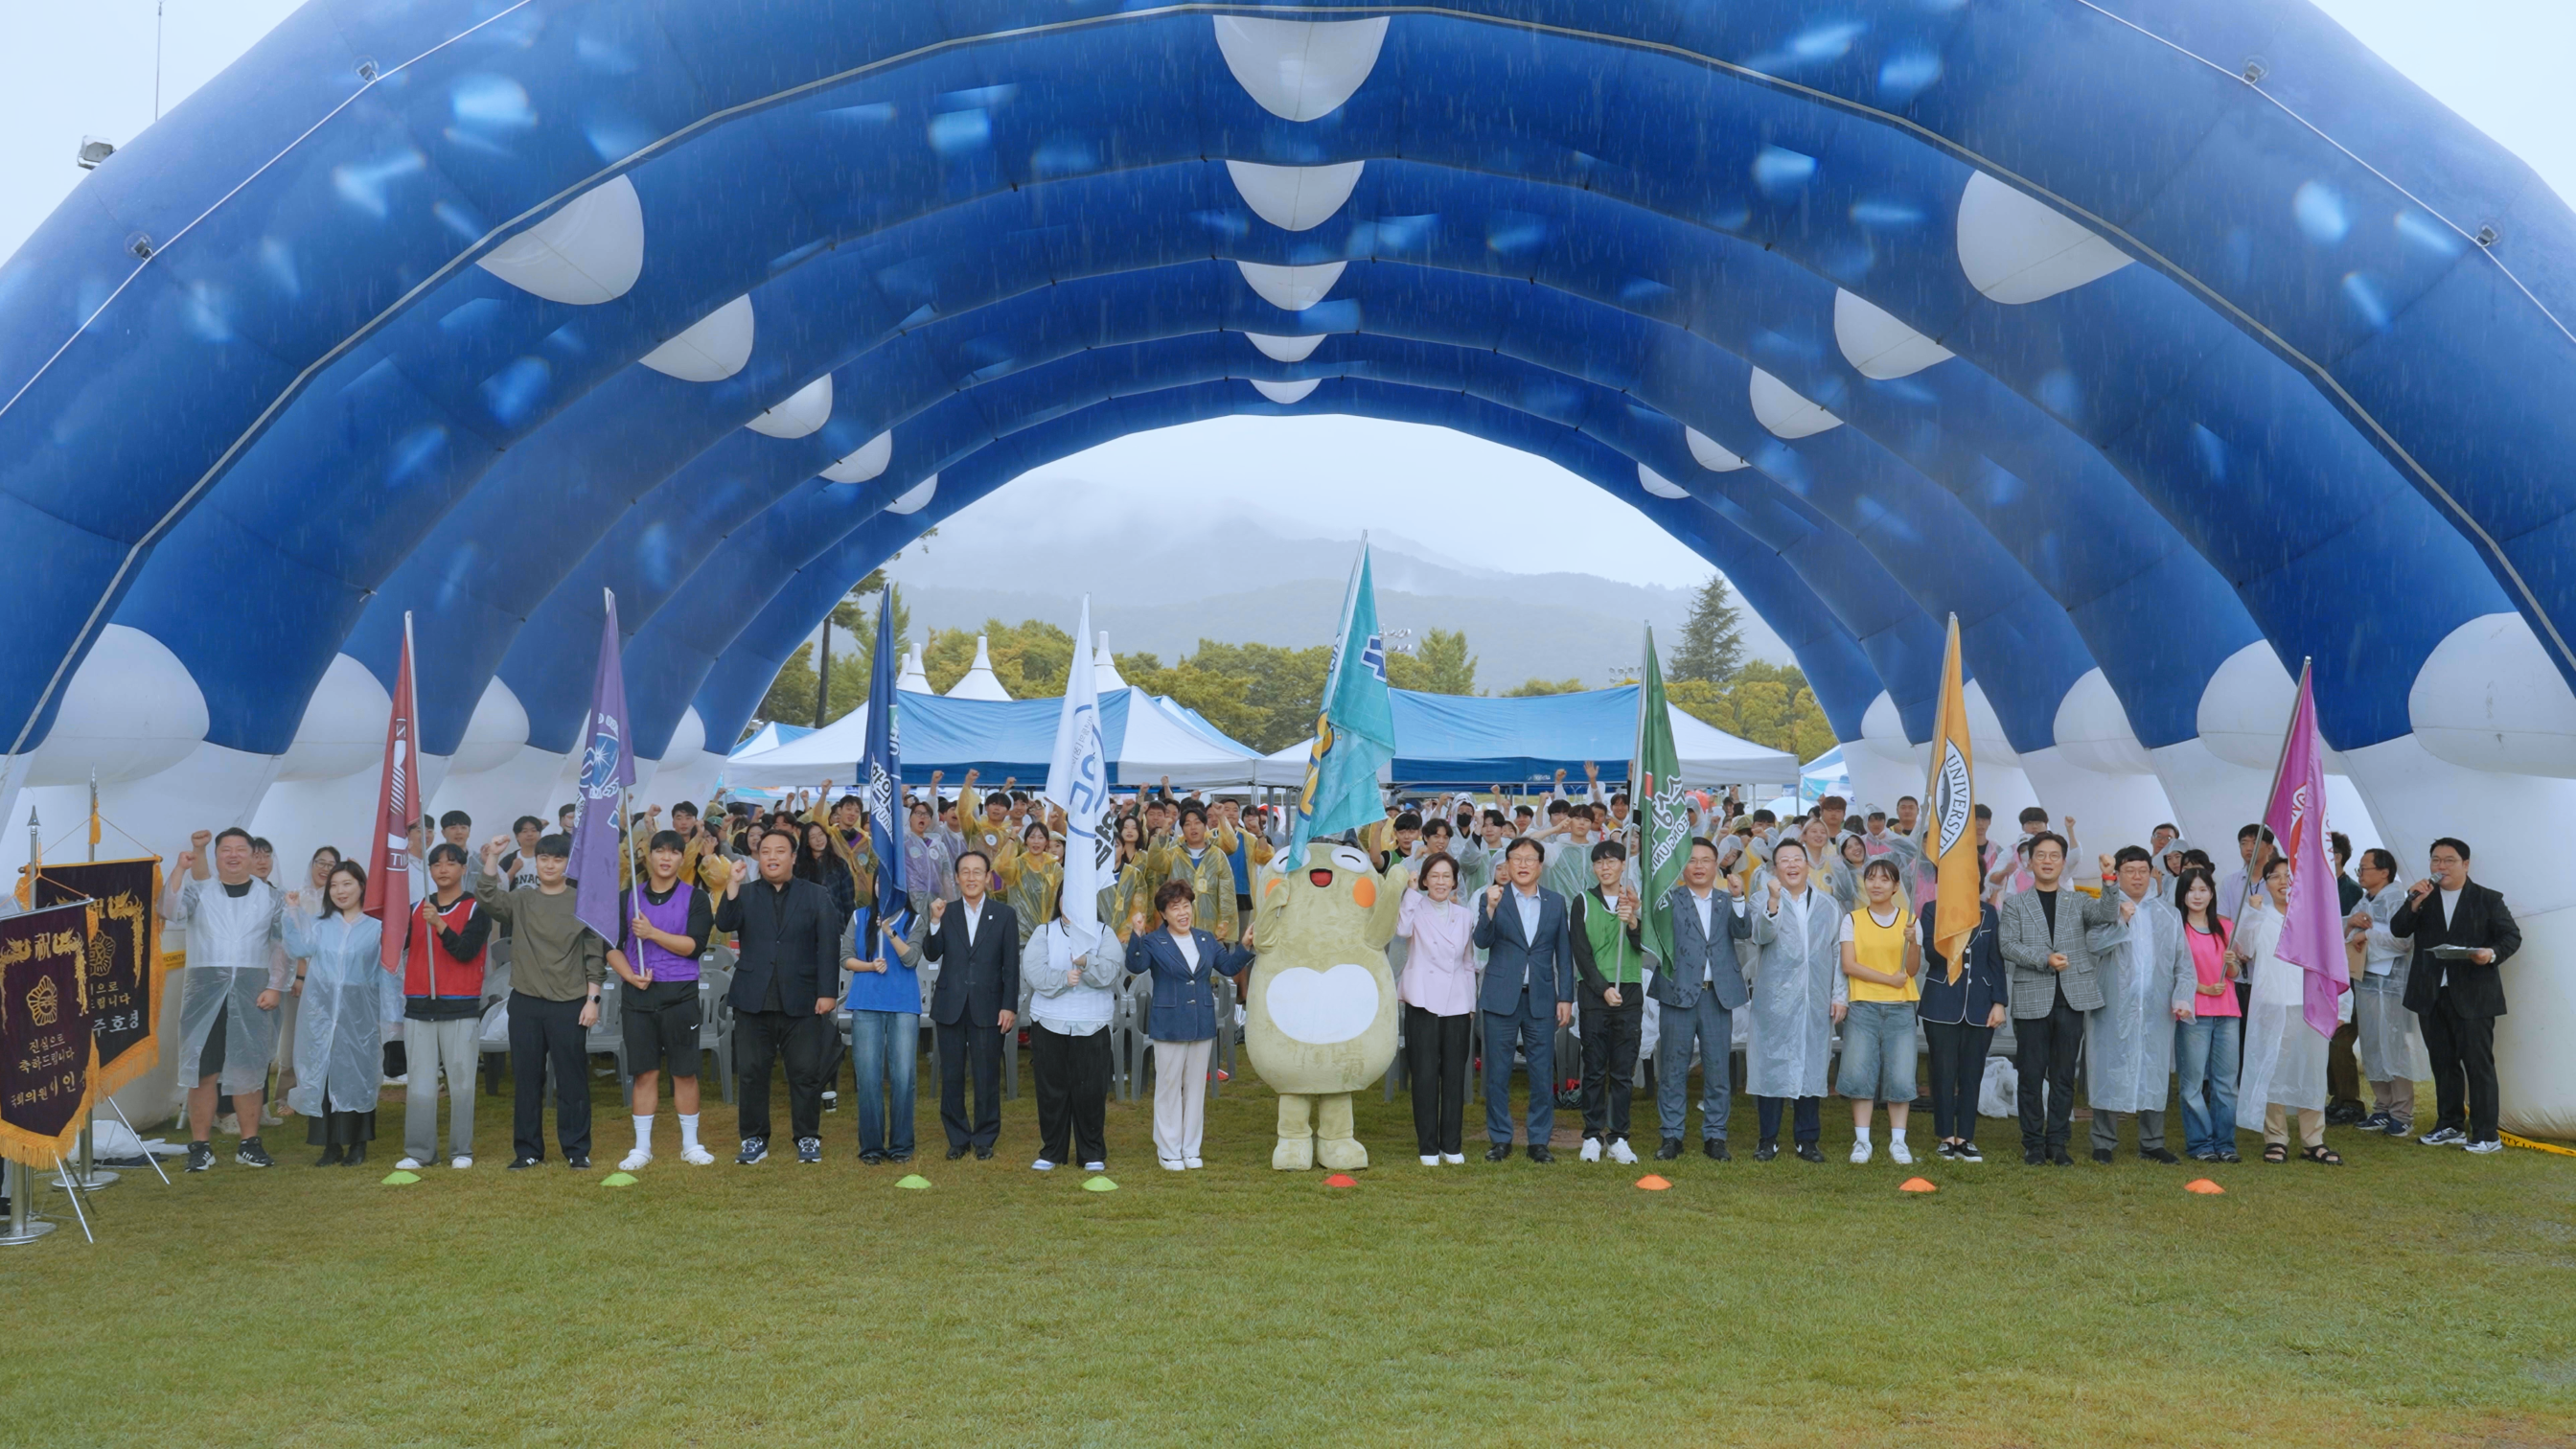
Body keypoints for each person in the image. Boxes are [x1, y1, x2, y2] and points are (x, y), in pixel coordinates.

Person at [471, 832, 605, 1170]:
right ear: (536, 861)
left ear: (567, 864)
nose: (549, 864)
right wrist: (492, 857)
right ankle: (527, 1150)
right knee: (527, 1080)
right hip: (527, 1003)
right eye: (544, 858)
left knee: (572, 1080)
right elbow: (486, 896)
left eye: (557, 859)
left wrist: (593, 1000)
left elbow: (594, 957)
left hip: (570, 1003)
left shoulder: (582, 902)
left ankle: (577, 1150)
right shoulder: (522, 900)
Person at [714, 827, 842, 1166]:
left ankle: (808, 1137)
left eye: (780, 851)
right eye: (765, 850)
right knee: (754, 1071)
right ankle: (755, 1138)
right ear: (758, 856)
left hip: (802, 998)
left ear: (793, 857)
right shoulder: (746, 893)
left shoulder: (816, 895)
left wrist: (828, 992)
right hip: (753, 997)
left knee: (805, 1072)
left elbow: (829, 946)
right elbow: (724, 923)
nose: (772, 856)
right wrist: (732, 883)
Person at [163, 828, 288, 1171]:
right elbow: (169, 910)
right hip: (205, 993)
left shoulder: (272, 898)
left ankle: (249, 1142)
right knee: (204, 1070)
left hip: (253, 991)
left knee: (250, 1067)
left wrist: (276, 985)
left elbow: (281, 945)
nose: (233, 855)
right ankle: (200, 1145)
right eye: (226, 850)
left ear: (253, 855)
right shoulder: (199, 892)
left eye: (241, 849)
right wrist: (180, 869)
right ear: (216, 857)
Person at [2391, 837, 2518, 1154]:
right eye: (2435, 860)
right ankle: (2449, 1125)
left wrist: (2489, 954)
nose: (2441, 866)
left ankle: (2486, 1134)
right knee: (2443, 1062)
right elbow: (2398, 929)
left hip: (2474, 994)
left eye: (2449, 860)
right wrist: (2414, 902)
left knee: (2478, 1064)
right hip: (2431, 993)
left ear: (2465, 864)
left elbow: (2511, 936)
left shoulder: (2487, 899)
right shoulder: (2423, 897)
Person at [1996, 833, 2118, 1166]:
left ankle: (2058, 1142)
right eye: (2041, 855)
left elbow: (2108, 914)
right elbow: (2007, 945)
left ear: (2064, 862)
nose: (2047, 861)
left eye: (2054, 856)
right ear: (2029, 861)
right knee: (2032, 1075)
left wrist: (2109, 877)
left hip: (2072, 999)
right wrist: (2043, 959)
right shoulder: (2016, 903)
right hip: (2032, 997)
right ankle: (2033, 1143)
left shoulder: (2077, 901)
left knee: (2065, 1075)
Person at [605, 830, 718, 1171]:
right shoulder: (628, 898)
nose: (666, 858)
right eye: (659, 852)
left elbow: (694, 946)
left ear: (683, 858)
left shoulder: (696, 899)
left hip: (680, 993)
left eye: (673, 852)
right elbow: (610, 947)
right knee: (644, 1072)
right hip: (639, 994)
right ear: (648, 857)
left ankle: (691, 1144)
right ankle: (641, 1147)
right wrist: (629, 975)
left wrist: (652, 933)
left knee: (685, 1071)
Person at [1125, 880, 1251, 1170]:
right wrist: (1137, 934)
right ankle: (1168, 1149)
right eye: (1174, 907)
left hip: (1201, 1022)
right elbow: (1136, 965)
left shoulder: (1206, 939)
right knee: (1169, 1086)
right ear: (1164, 914)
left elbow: (1230, 968)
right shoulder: (1154, 942)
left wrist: (1244, 946)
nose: (1183, 912)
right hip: (1168, 1023)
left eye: (1186, 905)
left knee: (1195, 1087)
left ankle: (1191, 1148)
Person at [2083, 845, 2194, 1164]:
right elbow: (2093, 945)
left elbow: (2183, 965)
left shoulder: (2168, 914)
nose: (2137, 877)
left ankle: (2152, 1141)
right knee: (2108, 1067)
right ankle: (2103, 1141)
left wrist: (2182, 996)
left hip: (2156, 1009)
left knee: (2154, 1070)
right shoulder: (2105, 908)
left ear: (2152, 874)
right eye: (2129, 871)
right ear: (2117, 875)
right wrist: (2120, 921)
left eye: (2143, 871)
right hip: (2113, 1007)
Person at [1471, 838, 1576, 1162]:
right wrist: (1488, 908)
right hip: (1501, 996)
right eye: (1517, 858)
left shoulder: (1556, 902)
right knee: (1497, 1072)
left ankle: (1538, 1140)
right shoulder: (1494, 897)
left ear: (1540, 865)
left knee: (1542, 1073)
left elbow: (1564, 953)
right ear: (1507, 863)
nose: (1523, 864)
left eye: (1530, 858)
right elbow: (1481, 940)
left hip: (1543, 998)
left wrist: (1566, 997)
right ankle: (1500, 1138)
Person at [2234, 856, 2342, 1165]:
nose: (2283, 882)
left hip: (2309, 1006)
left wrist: (2339, 1006)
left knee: (2311, 1070)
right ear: (2265, 884)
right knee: (2273, 1069)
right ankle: (2276, 1137)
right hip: (2271, 1004)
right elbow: (2243, 949)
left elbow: (2333, 964)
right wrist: (2251, 913)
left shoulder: (2315, 919)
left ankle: (2313, 1139)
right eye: (2275, 876)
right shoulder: (2259, 914)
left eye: (2288, 876)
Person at [1743, 839, 1846, 1162]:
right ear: (1775, 868)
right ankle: (1767, 1138)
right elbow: (1760, 935)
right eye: (1784, 859)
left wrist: (1839, 994)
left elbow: (1838, 952)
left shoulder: (1828, 905)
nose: (1791, 865)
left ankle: (1807, 1139)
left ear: (1808, 864)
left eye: (1797, 859)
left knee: (1811, 1064)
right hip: (1775, 999)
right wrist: (1773, 902)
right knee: (1771, 1065)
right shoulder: (1761, 899)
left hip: (1814, 998)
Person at [915, 849, 1021, 1161]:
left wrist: (1009, 1005)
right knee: (951, 1075)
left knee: (987, 1074)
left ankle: (985, 1138)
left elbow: (1010, 967)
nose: (972, 877)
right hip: (951, 1005)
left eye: (978, 872)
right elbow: (932, 954)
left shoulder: (1004, 915)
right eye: (966, 872)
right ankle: (957, 1138)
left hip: (989, 1007)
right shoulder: (944, 911)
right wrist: (934, 922)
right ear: (957, 878)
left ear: (988, 878)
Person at [280, 861, 385, 1166]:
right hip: (322, 1013)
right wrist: (293, 912)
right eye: (334, 885)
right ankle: (330, 1144)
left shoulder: (376, 928)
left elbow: (386, 974)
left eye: (347, 884)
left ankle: (358, 1143)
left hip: (359, 1014)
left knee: (358, 1076)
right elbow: (299, 947)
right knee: (324, 1074)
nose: (340, 891)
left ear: (361, 886)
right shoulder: (320, 925)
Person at [1650, 838, 1748, 1162]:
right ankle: (1671, 1135)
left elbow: (1744, 930)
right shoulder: (1667, 900)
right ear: (1683, 865)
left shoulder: (1726, 898)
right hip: (1677, 993)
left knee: (1718, 1070)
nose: (1699, 866)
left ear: (1716, 863)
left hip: (1716, 995)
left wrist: (1739, 898)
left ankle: (1716, 1136)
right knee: (1673, 1068)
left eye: (1706, 860)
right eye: (1692, 860)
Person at [395, 841, 491, 1172]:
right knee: (420, 1082)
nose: (443, 869)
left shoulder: (478, 908)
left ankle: (460, 1149)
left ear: (464, 868)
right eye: (436, 864)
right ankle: (420, 1151)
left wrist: (439, 925)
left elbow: (465, 951)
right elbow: (393, 945)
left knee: (462, 1081)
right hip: (420, 1005)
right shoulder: (415, 907)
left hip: (460, 1006)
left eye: (451, 863)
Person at [1024, 894, 1124, 1173]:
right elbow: (1033, 971)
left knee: (1090, 1089)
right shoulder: (1043, 932)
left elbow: (1111, 971)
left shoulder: (1104, 933)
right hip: (1049, 1021)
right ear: (1058, 902)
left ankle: (1091, 1151)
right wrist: (1062, 979)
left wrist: (1085, 962)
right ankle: (1052, 1151)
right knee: (1051, 1090)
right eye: (1065, 899)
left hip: (1092, 1022)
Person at [1394, 852, 1477, 1165]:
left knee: (1454, 1075)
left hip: (1457, 1002)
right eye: (1435, 876)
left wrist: (1470, 1002)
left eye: (1447, 876)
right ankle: (1428, 1146)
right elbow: (1402, 930)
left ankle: (1451, 1144)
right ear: (1426, 879)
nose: (1441, 882)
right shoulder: (1415, 907)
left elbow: (1468, 963)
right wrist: (1411, 890)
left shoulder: (1465, 915)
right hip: (1422, 999)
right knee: (1425, 1074)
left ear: (1455, 881)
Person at [1837, 859, 1920, 1164]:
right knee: (1860, 1074)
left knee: (1900, 1076)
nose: (1876, 884)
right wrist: (1888, 979)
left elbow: (1912, 969)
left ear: (1896, 886)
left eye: (1884, 880)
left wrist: (1912, 943)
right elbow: (1849, 965)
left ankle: (1899, 1142)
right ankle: (1862, 1141)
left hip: (1900, 1008)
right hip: (1863, 1005)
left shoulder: (1909, 920)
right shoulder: (1853, 919)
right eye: (1871, 878)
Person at [1569, 840, 1646, 1164]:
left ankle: (1618, 1136)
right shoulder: (1583, 902)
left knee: (1623, 1070)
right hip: (1594, 993)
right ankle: (1591, 1134)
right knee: (1595, 1068)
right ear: (1593, 867)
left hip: (1628, 990)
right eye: (1599, 862)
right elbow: (1581, 952)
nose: (1605, 867)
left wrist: (1632, 922)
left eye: (1612, 861)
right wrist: (1602, 988)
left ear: (1623, 865)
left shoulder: (1634, 902)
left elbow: (1646, 946)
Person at [1917, 891, 2006, 1162]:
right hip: (1941, 1002)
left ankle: (1965, 1137)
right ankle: (1945, 1136)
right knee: (1942, 1072)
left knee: (1972, 1072)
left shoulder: (1988, 912)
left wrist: (1999, 1001)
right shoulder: (1932, 909)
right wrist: (1956, 924)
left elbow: (1995, 958)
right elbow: (1932, 953)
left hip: (1980, 1003)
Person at [2171, 868, 2243, 1163]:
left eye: (2203, 890)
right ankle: (2200, 1143)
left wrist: (2232, 961)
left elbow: (2235, 974)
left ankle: (2225, 1143)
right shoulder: (2177, 928)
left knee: (2226, 1082)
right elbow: (2173, 971)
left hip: (2228, 1011)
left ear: (2212, 894)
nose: (2197, 895)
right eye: (2191, 890)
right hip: (2194, 1013)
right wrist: (2201, 987)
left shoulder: (2225, 927)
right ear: (2183, 895)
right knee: (2192, 1083)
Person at [2345, 847, 2416, 1138]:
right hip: (2367, 981)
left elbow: (2404, 940)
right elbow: (2347, 936)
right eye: (2359, 869)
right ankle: (2382, 1107)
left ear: (2384, 872)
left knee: (2393, 1046)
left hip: (2392, 985)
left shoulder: (2396, 899)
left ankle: (2402, 1113)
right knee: (2373, 1044)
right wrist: (2352, 925)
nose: (2360, 873)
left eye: (2365, 868)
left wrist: (2367, 934)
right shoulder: (2364, 899)